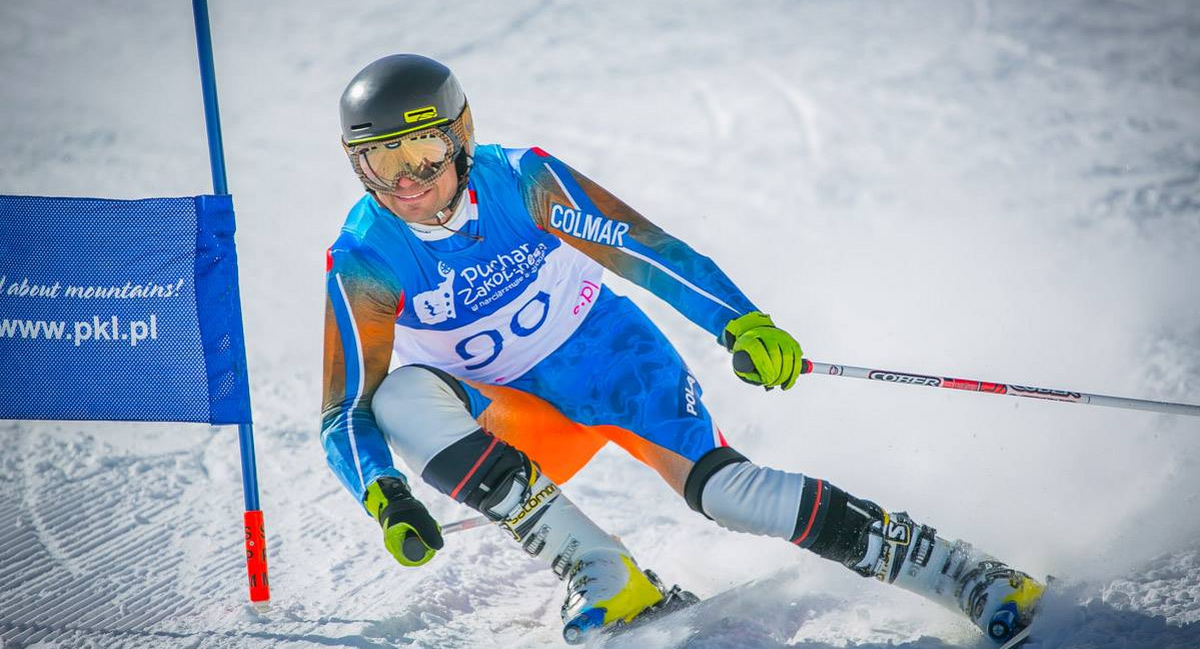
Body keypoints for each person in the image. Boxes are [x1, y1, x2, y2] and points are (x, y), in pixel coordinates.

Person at [321, 54, 1043, 645]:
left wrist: (742, 321)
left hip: (613, 367)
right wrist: (383, 494)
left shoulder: (523, 181)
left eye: (422, 151)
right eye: (380, 164)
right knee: (398, 395)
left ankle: (964, 573)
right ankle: (605, 575)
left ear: (460, 138)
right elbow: (345, 411)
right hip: (517, 421)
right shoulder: (365, 258)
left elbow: (644, 251)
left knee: (729, 494)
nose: (408, 182)